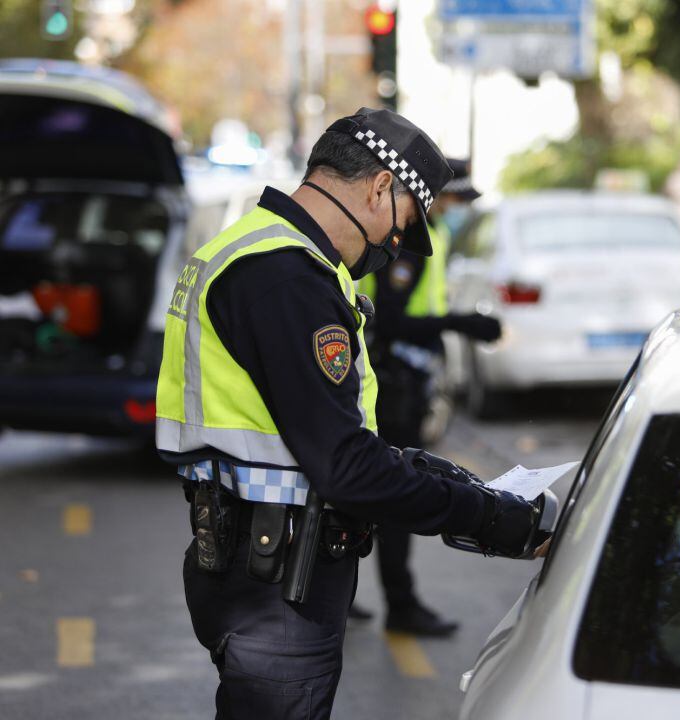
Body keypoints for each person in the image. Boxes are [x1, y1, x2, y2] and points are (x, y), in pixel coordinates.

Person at [155, 108, 541, 720]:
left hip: (253, 565)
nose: (393, 248)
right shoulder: (287, 279)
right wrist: (497, 521)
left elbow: (305, 434)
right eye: (404, 225)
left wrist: (419, 468)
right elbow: (345, 468)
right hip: (278, 583)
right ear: (381, 188)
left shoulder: (254, 252)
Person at [350, 158, 499, 636]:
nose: (457, 209)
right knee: (394, 492)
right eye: (454, 199)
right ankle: (401, 604)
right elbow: (390, 321)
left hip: (403, 378)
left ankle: (339, 589)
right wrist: (461, 324)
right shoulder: (409, 247)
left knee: (366, 493)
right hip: (392, 383)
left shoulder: (426, 237)